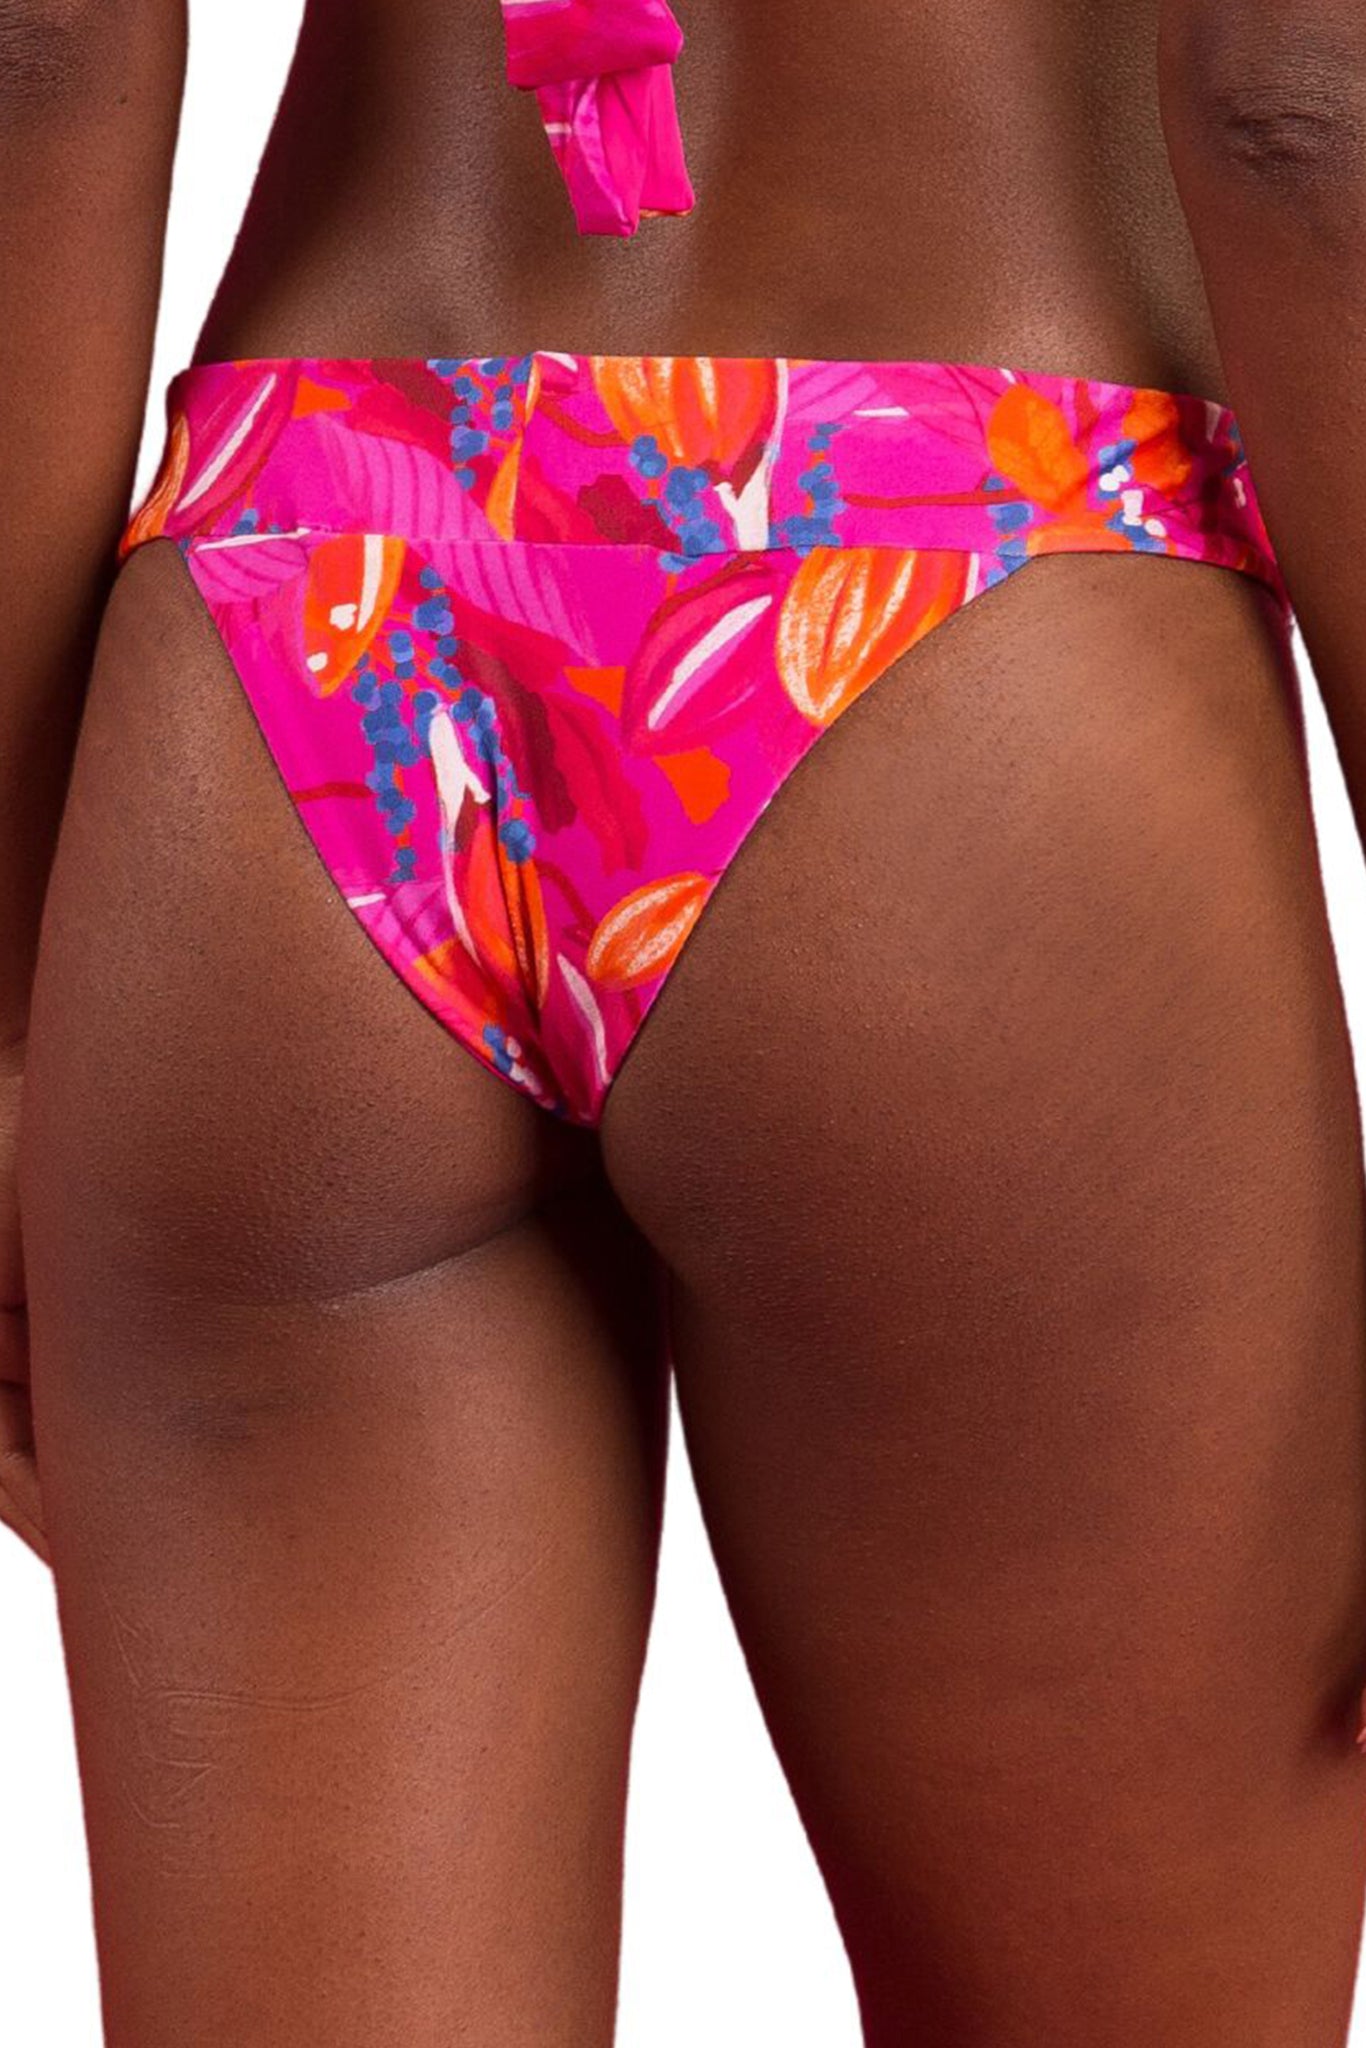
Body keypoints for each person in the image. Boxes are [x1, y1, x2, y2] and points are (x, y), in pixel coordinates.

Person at [4, 0, 1366, 2038]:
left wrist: (10, 1010)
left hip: (302, 586)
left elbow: (41, 49)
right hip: (972, 569)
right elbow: (1298, 100)